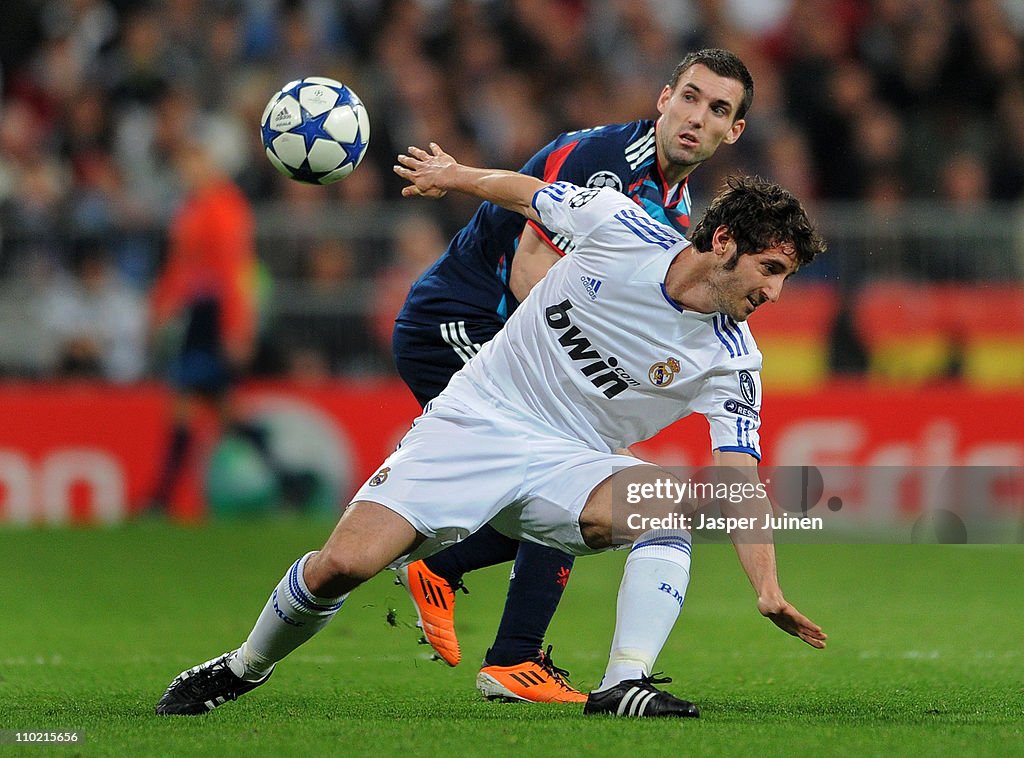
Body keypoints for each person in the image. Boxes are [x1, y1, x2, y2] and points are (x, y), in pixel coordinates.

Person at [155, 142, 827, 719]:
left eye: (786, 278)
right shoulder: (621, 227)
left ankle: (626, 681)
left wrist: (766, 586)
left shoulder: (734, 360)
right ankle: (243, 667)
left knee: (669, 504)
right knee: (343, 565)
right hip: (476, 422)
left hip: (572, 463)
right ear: (723, 243)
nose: (774, 293)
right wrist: (454, 175)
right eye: (770, 270)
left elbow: (739, 479)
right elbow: (531, 194)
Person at [391, 48, 754, 703]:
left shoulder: (676, 208)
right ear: (663, 98)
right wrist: (581, 392)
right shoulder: (607, 165)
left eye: (718, 109)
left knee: (566, 478)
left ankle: (451, 578)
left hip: (511, 340)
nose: (698, 117)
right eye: (691, 98)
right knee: (573, 458)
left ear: (734, 131)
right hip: (464, 317)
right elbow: (532, 271)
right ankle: (504, 648)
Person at [144, 137, 264, 515]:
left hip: (214, 317)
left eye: (191, 163)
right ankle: (290, 479)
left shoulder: (225, 207)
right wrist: (160, 308)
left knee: (189, 403)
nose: (186, 173)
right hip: (199, 315)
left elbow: (234, 272)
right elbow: (180, 266)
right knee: (222, 410)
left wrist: (236, 328)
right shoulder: (192, 208)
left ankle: (160, 498)